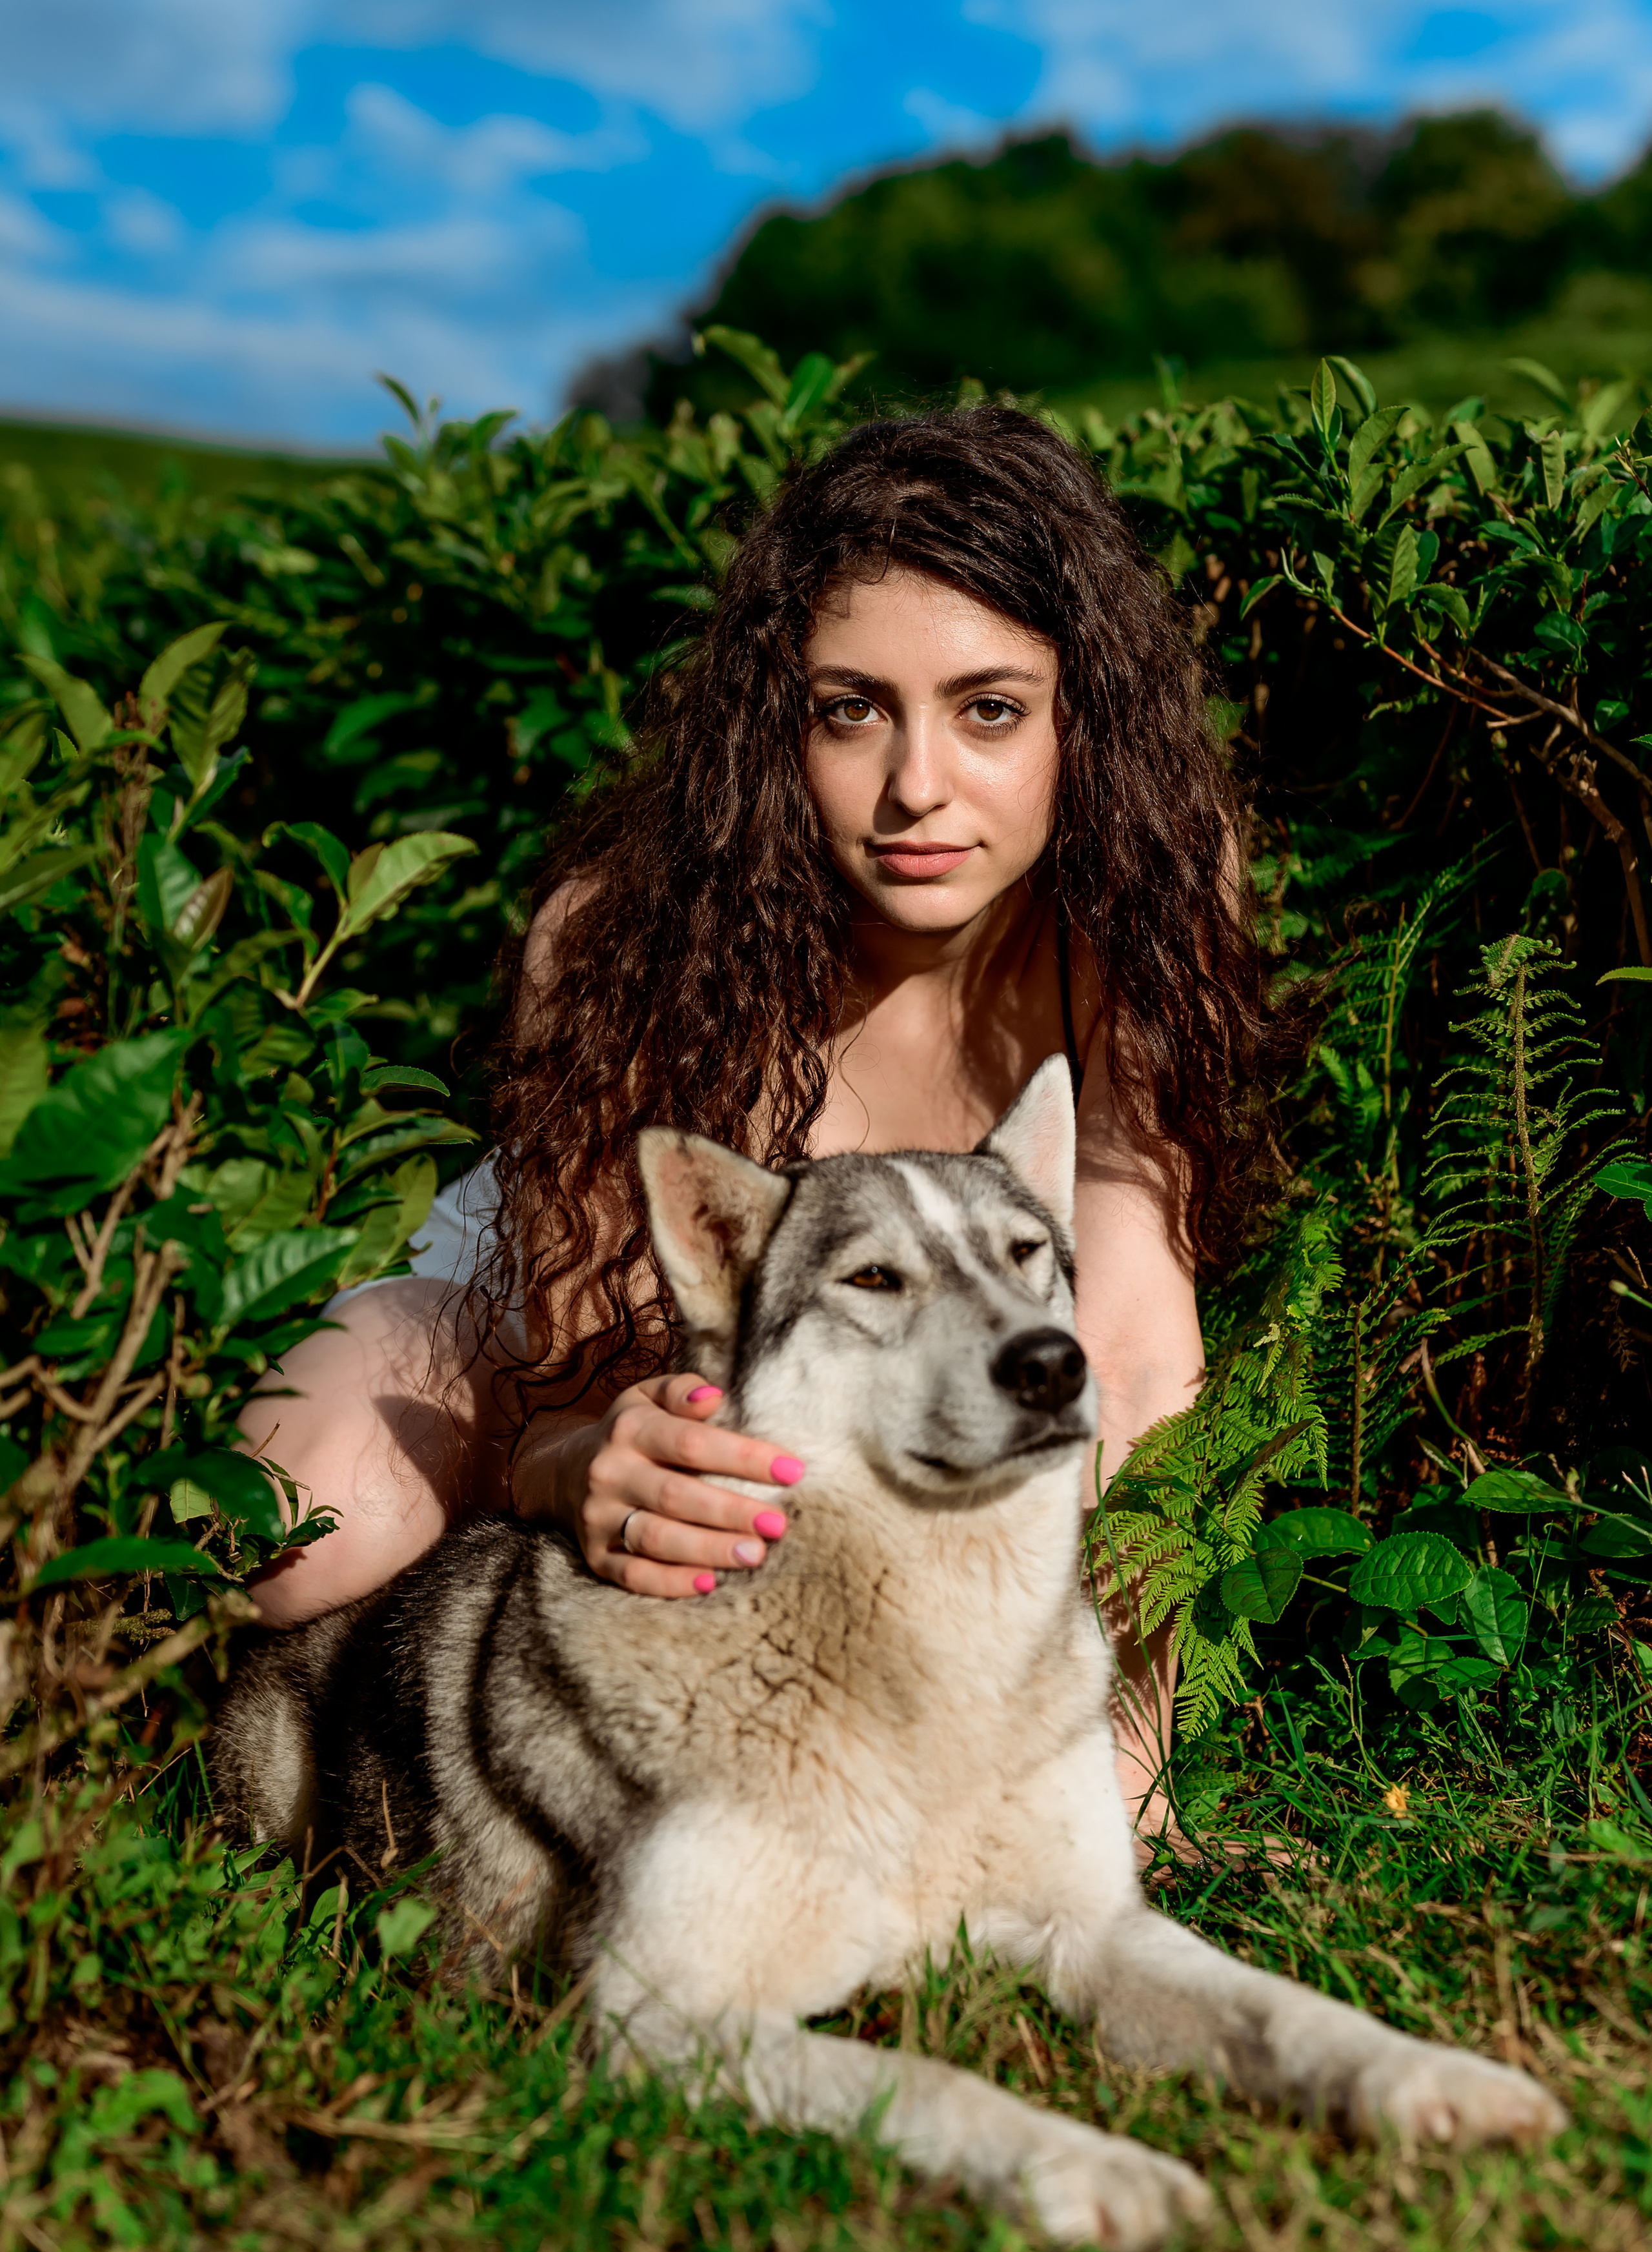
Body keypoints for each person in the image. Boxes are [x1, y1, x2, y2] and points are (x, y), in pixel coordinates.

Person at [243, 405, 1294, 1845]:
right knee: (301, 1523)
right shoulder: (622, 933)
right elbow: (570, 1399)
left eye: (988, 709)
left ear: (1079, 721)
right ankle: (137, 1684)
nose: (916, 786)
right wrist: (597, 1467)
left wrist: (1123, 1765)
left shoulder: (1140, 906)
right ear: (772, 722)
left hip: (894, 1379)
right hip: (543, 1314)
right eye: (849, 709)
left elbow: (1131, 1344)